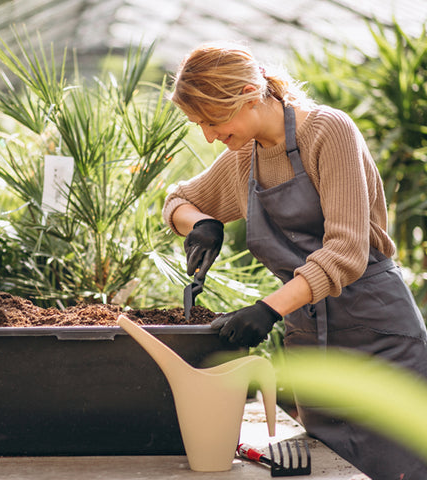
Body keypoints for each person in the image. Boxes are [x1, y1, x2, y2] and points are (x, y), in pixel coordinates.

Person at [162, 41, 427, 480]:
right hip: (311, 344)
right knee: (328, 468)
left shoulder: (328, 132)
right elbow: (178, 198)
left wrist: (269, 309)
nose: (209, 136)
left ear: (249, 92)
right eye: (200, 125)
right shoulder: (243, 158)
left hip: (378, 336)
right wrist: (201, 223)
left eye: (213, 120)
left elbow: (346, 252)